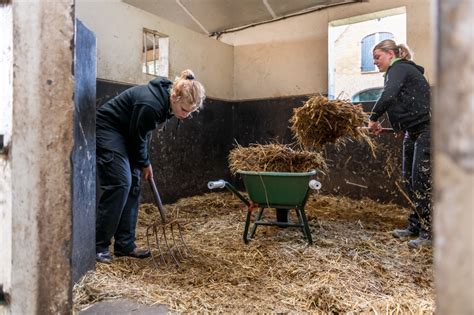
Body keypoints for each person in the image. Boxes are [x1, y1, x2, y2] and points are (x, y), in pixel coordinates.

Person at [95, 70, 205, 263]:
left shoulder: (167, 101)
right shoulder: (151, 104)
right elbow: (138, 137)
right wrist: (145, 162)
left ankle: (125, 245)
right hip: (108, 129)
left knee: (134, 184)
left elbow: (141, 134)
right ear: (175, 96)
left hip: (127, 134)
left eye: (191, 112)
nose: (186, 116)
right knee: (121, 183)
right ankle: (99, 246)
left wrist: (145, 162)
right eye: (185, 110)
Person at [368, 40, 432, 248]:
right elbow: (403, 102)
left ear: (389, 53)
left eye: (377, 57)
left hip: (426, 129)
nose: (375, 62)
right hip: (411, 131)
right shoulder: (396, 71)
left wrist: (374, 117)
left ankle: (429, 233)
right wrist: (398, 126)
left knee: (421, 180)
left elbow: (389, 94)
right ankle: (415, 225)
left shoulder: (400, 68)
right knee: (410, 180)